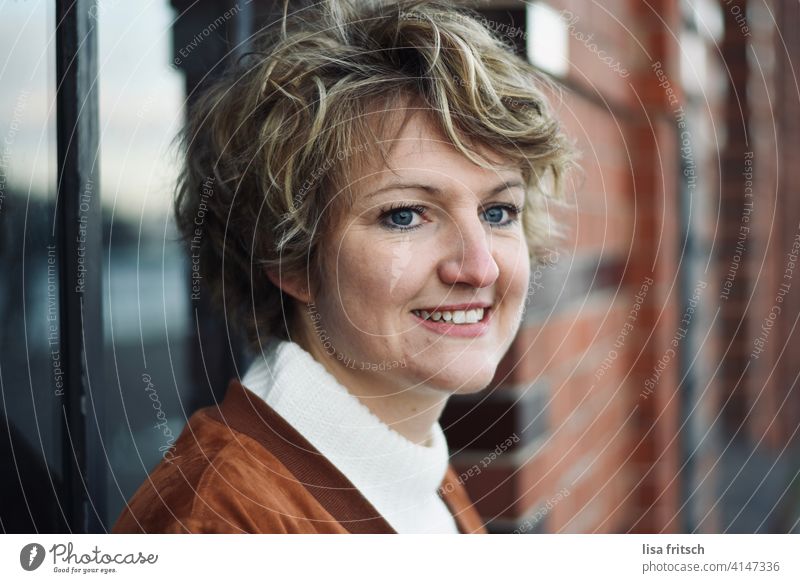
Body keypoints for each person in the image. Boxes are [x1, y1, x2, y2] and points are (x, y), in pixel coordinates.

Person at [112, 0, 573, 534]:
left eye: (498, 211)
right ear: (291, 260)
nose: (479, 267)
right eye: (404, 215)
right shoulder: (220, 523)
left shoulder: (411, 464)